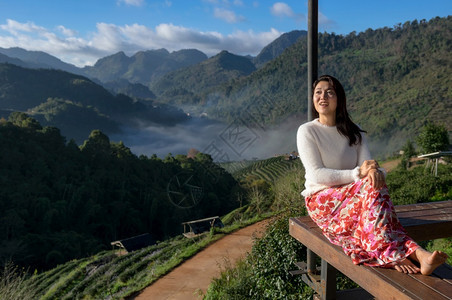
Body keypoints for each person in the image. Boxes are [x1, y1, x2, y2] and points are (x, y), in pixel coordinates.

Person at [296, 74, 448, 275]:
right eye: (318, 93)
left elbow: (370, 167)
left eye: (329, 92)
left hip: (354, 196)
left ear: (339, 99)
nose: (323, 96)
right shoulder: (307, 131)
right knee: (372, 188)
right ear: (313, 99)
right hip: (323, 202)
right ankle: (392, 252)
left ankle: (420, 255)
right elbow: (316, 175)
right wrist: (360, 172)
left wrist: (374, 171)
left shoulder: (354, 131)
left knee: (375, 185)